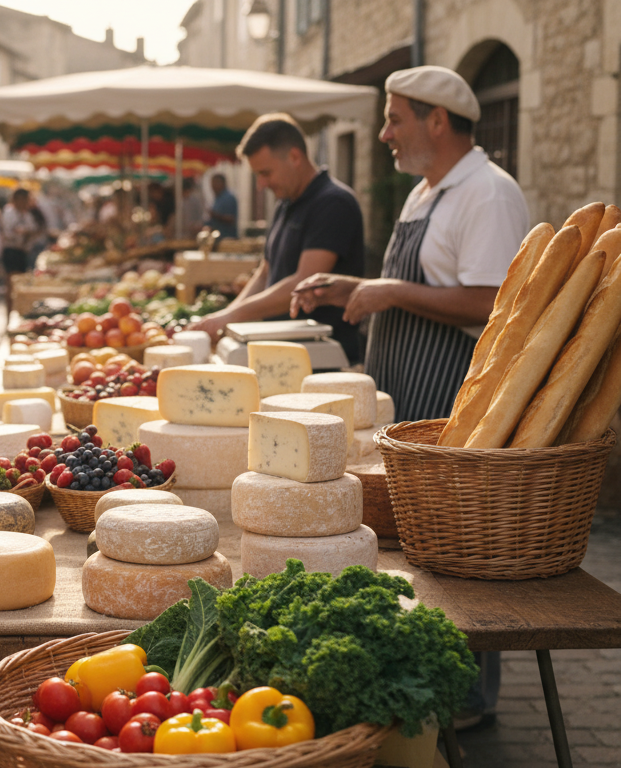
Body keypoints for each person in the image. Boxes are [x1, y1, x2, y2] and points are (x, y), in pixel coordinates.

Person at [294, 65, 530, 731]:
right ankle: (418, 682)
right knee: (416, 548)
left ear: (437, 120)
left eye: (395, 118)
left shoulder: (487, 193)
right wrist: (353, 287)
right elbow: (416, 280)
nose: (384, 132)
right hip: (407, 391)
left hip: (454, 392)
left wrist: (389, 292)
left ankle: (469, 698)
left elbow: (491, 300)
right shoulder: (429, 192)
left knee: (456, 547)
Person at [188, 114, 366, 363]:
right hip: (280, 350)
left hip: (321, 356)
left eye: (265, 173)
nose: (261, 184)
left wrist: (230, 317)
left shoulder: (333, 203)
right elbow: (265, 273)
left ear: (295, 157)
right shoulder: (286, 203)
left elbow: (304, 281)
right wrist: (226, 316)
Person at [0, 187, 38, 316]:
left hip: (22, 252)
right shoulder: (9, 213)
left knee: (20, 284)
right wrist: (23, 232)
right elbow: (8, 233)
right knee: (11, 285)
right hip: (11, 251)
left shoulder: (26, 214)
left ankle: (18, 312)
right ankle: (9, 315)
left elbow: (33, 230)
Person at [206, 173, 239, 238]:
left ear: (222, 183)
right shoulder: (217, 198)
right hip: (217, 237)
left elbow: (231, 219)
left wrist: (216, 215)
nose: (213, 186)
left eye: (215, 183)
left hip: (227, 238)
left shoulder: (229, 198)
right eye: (212, 184)